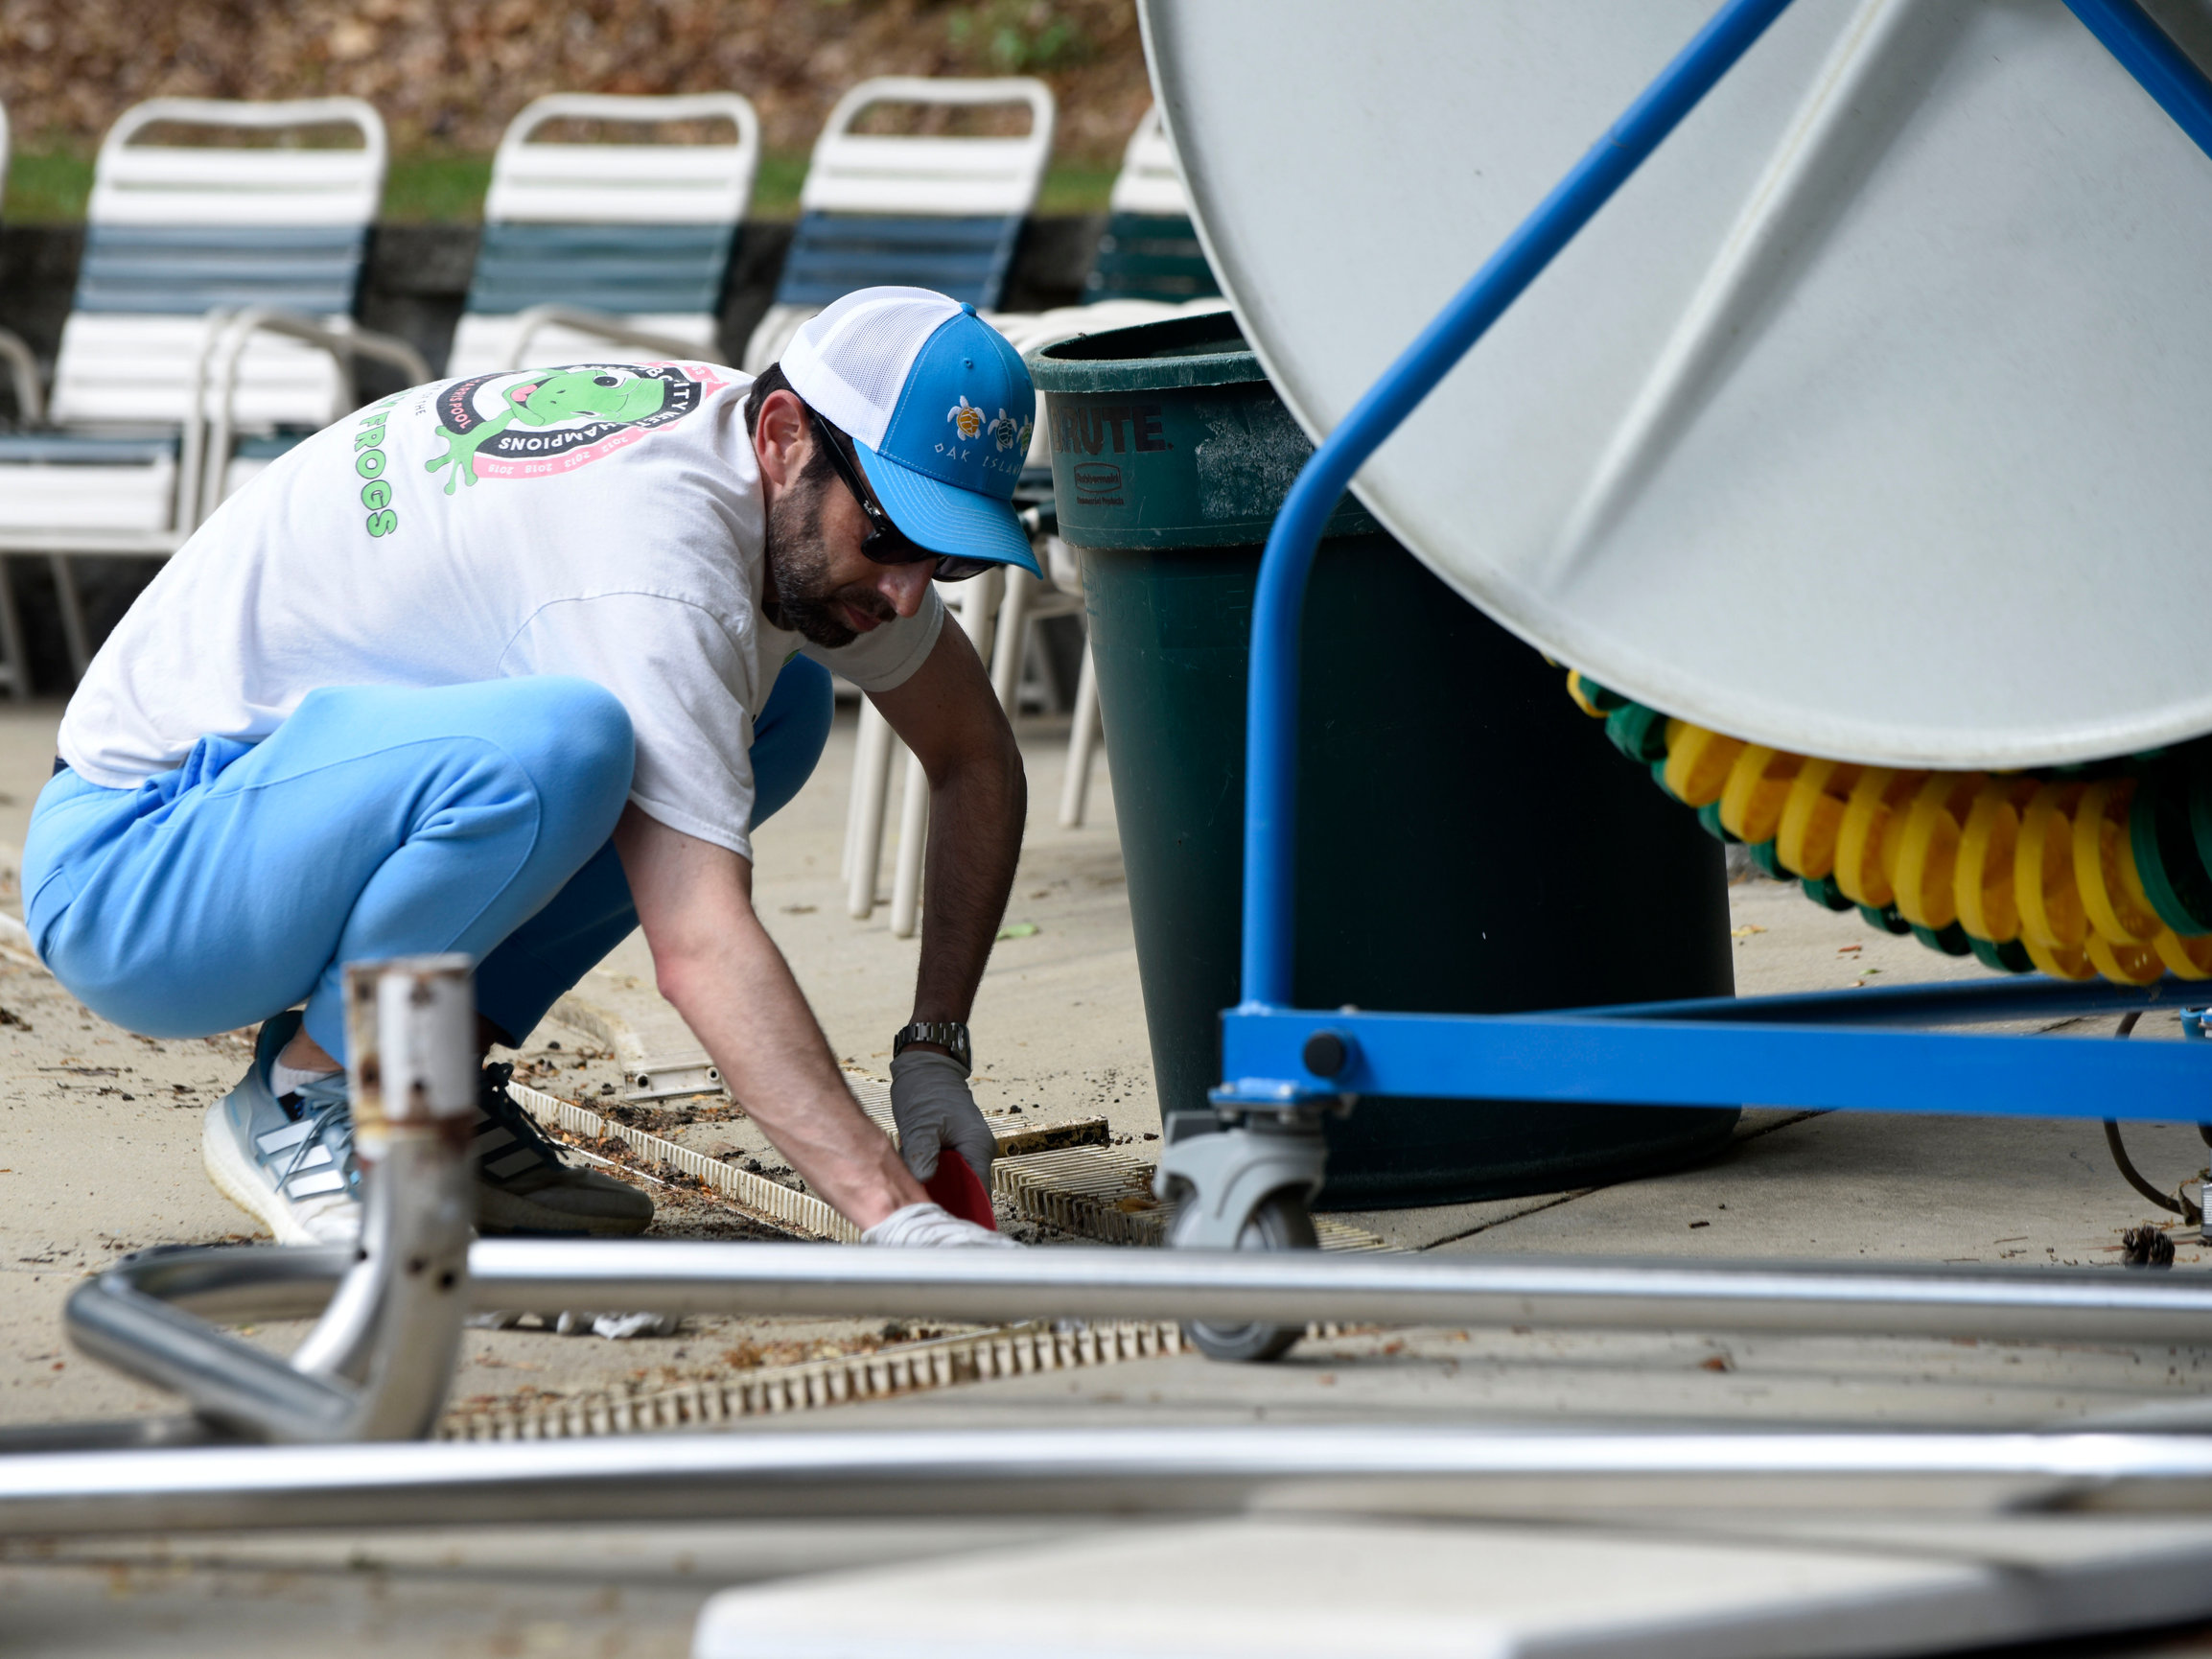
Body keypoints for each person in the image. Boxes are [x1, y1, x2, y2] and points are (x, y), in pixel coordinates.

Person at [23, 286, 1038, 1251]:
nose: (911, 594)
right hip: (136, 876)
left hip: (254, 828)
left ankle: (434, 1078)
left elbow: (972, 755)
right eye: (893, 535)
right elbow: (700, 943)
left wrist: (933, 1049)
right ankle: (309, 1095)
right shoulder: (657, 561)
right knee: (567, 746)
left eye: (951, 559)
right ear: (784, 436)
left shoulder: (763, 478)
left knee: (779, 709)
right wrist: (896, 1216)